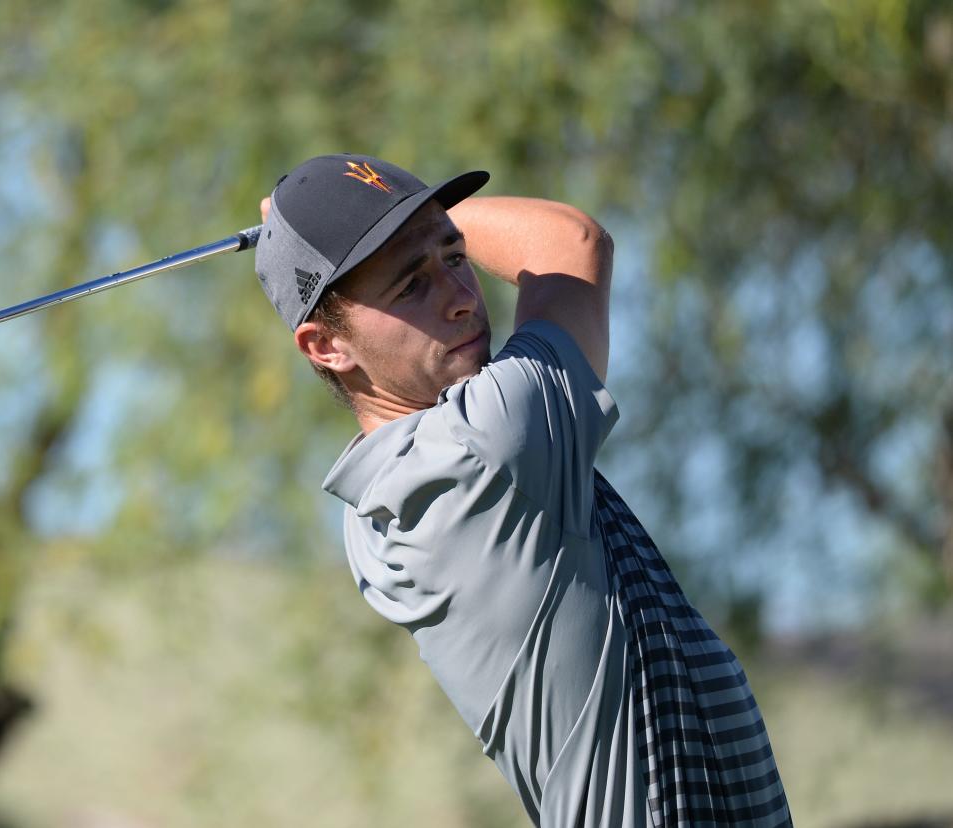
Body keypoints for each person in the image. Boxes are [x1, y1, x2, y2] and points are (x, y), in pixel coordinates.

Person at [253, 154, 791, 827]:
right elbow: (572, 242)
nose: (460, 294)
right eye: (410, 285)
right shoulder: (485, 445)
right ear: (327, 345)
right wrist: (419, 221)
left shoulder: (385, 498)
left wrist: (367, 227)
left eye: (453, 257)